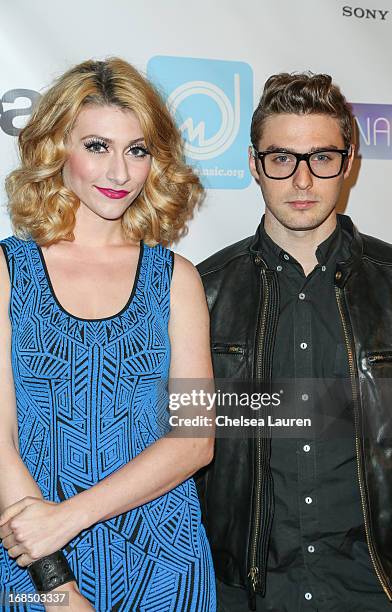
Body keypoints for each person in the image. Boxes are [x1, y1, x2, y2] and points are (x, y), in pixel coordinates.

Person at [0, 57, 216, 611]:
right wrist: (56, 583)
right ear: (55, 148)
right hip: (33, 554)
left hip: (163, 555)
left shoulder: (176, 278)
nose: (119, 173)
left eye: (137, 150)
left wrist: (67, 518)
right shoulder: (8, 270)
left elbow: (195, 440)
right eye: (97, 146)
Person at [197, 72, 392, 611]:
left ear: (350, 159)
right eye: (282, 158)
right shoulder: (201, 294)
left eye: (322, 157)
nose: (303, 180)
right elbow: (184, 453)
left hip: (379, 591)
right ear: (253, 164)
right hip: (247, 595)